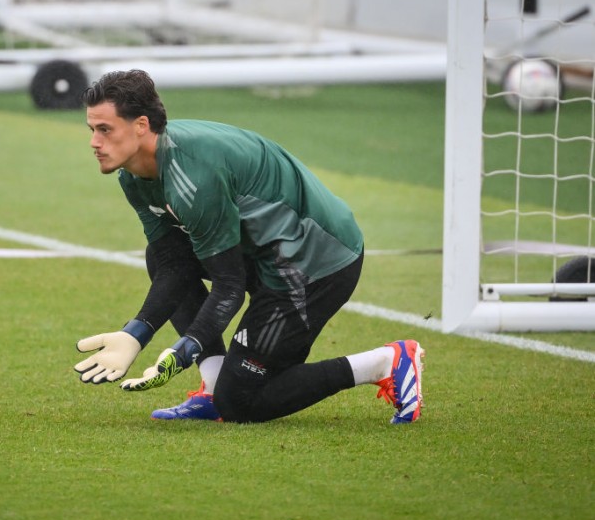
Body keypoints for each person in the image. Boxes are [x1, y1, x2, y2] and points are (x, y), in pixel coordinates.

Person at [72, 69, 424, 424]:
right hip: (265, 254)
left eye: (105, 130)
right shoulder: (133, 175)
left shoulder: (195, 177)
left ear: (141, 126)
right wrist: (135, 334)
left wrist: (183, 350)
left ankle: (385, 362)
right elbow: (172, 262)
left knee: (242, 402)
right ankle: (211, 392)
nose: (94, 142)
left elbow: (229, 287)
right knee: (162, 254)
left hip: (314, 264)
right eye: (92, 130)